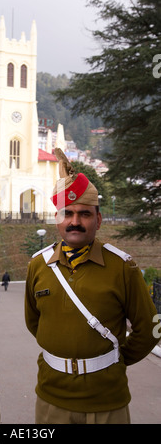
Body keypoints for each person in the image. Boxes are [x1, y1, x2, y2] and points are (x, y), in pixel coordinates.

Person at [25, 148, 161, 425]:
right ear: (57, 219)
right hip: (51, 398)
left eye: (84, 214)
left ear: (98, 220)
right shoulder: (38, 266)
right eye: (67, 213)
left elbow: (151, 327)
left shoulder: (124, 267)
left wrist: (115, 360)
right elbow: (34, 322)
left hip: (107, 401)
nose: (75, 221)